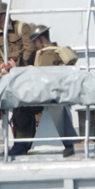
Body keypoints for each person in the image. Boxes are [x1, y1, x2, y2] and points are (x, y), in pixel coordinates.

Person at [10, 27, 78, 158]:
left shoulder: (46, 54)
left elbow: (42, 79)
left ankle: (22, 145)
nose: (33, 45)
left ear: (40, 39)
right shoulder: (58, 50)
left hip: (49, 96)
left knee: (20, 109)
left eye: (34, 42)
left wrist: (16, 70)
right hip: (59, 94)